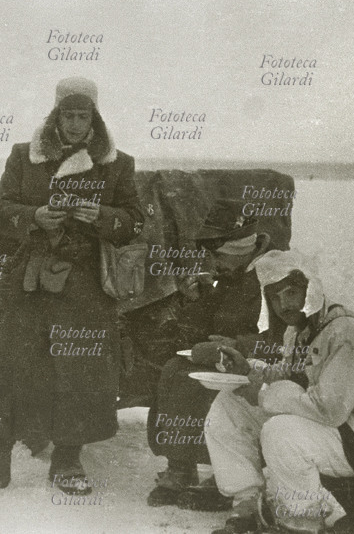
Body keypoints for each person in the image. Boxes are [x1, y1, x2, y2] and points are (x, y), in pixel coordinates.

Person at [0, 76, 143, 497]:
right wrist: (34, 216)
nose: (75, 124)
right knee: (6, 367)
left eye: (83, 115)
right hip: (28, 279)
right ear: (56, 115)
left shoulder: (117, 164)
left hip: (86, 285)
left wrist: (103, 216)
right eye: (68, 115)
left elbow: (134, 221)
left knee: (78, 371)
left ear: (94, 117)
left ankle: (67, 459)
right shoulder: (25, 156)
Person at [206, 250, 354, 534]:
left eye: (291, 293)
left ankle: (302, 521)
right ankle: (246, 500)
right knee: (230, 402)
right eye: (274, 298)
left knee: (280, 432)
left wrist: (262, 394)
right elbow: (291, 374)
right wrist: (249, 370)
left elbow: (328, 408)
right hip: (331, 426)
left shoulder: (346, 333)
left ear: (311, 289)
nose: (283, 305)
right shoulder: (301, 329)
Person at [146, 201, 286, 509]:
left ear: (239, 248)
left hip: (264, 364)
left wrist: (238, 345)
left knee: (201, 382)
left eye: (216, 253)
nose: (211, 261)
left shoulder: (275, 274)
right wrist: (197, 299)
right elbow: (203, 327)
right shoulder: (233, 273)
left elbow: (288, 337)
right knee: (175, 369)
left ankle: (225, 473)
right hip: (229, 356)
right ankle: (180, 466)